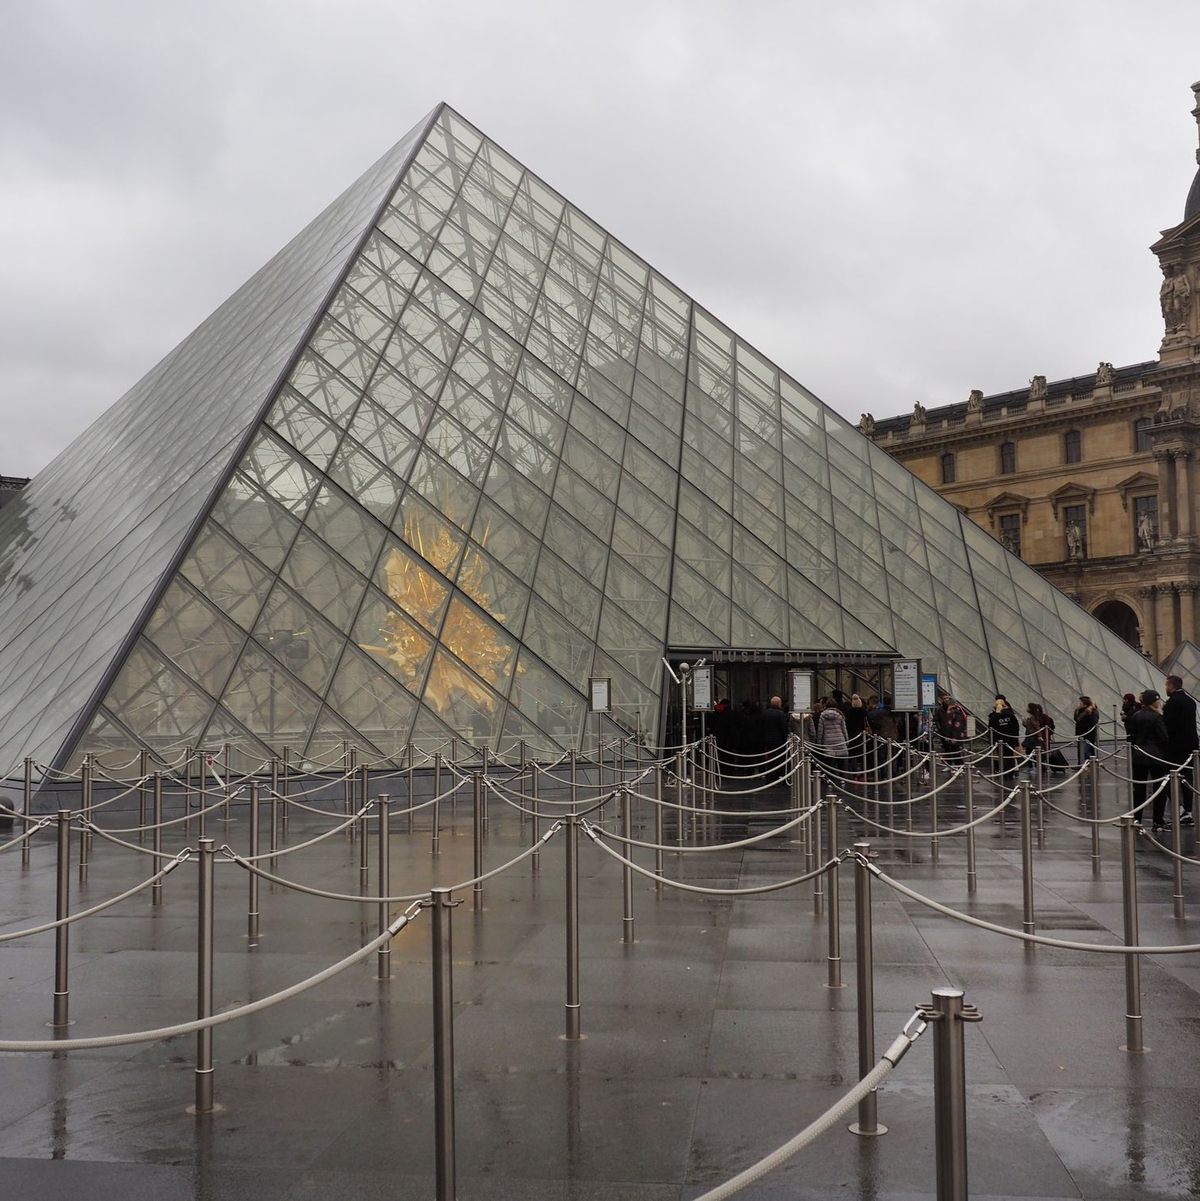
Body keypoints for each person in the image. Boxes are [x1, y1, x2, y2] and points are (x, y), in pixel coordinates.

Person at [1126, 689, 1171, 831]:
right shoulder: (1157, 717)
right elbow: (1163, 737)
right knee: (1159, 790)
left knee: (1139, 789)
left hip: (1139, 756)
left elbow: (1131, 736)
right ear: (1153, 701)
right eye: (1157, 700)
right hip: (1155, 756)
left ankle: (1137, 819)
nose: (1159, 702)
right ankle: (1158, 821)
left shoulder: (1136, 716)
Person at [1163, 675, 1197, 825]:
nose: (1166, 689)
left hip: (1175, 746)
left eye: (1166, 686)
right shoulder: (1190, 701)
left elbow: (1168, 726)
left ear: (1171, 686)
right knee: (1187, 778)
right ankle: (1188, 810)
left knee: (1167, 777)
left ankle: (1181, 809)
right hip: (1191, 745)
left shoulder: (1172, 702)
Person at [988, 696, 1020, 781]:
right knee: (1010, 756)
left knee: (1003, 757)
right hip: (1011, 739)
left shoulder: (994, 716)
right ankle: (1011, 772)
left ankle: (1005, 773)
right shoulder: (1010, 714)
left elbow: (991, 727)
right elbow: (1016, 726)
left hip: (999, 740)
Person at [762, 695, 790, 782]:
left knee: (770, 760)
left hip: (767, 740)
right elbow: (784, 728)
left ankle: (769, 778)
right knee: (778, 761)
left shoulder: (765, 713)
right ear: (778, 703)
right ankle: (776, 778)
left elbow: (761, 726)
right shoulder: (780, 714)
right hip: (779, 741)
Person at [817, 696, 849, 770]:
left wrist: (819, 744)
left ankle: (831, 780)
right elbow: (844, 729)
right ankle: (842, 780)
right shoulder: (840, 715)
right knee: (841, 766)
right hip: (840, 742)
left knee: (830, 767)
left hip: (828, 743)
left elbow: (820, 731)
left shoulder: (822, 715)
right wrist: (847, 741)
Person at [1073, 696, 1099, 764]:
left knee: (1086, 750)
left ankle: (1091, 763)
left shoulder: (1091, 711)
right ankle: (1081, 763)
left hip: (1088, 734)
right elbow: (1076, 719)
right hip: (1081, 733)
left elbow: (1091, 722)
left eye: (1081, 703)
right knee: (1081, 749)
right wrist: (1076, 710)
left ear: (1085, 704)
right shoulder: (1080, 710)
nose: (1079, 705)